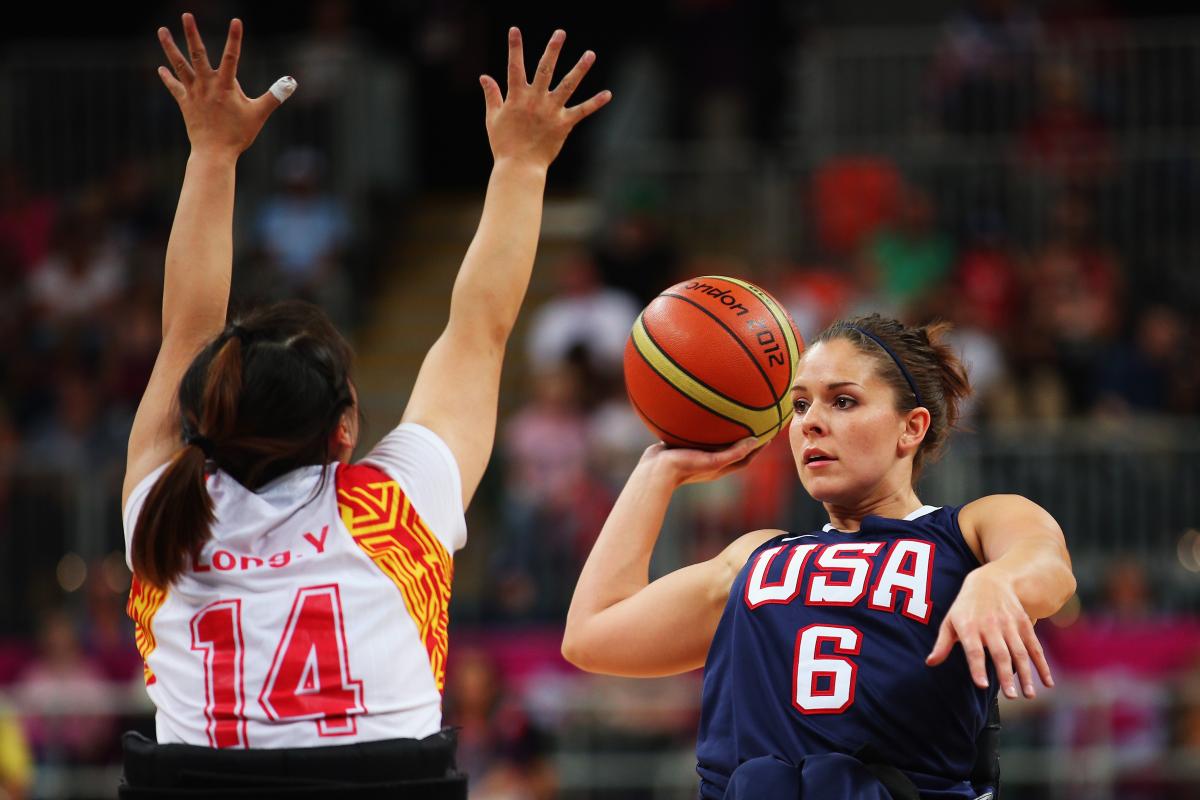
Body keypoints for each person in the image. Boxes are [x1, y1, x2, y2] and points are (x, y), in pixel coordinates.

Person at [120, 12, 609, 797]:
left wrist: (211, 153)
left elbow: (183, 332)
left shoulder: (159, 516)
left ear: (207, 414)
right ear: (344, 432)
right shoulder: (397, 505)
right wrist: (522, 163)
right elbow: (478, 329)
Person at [563, 313, 1076, 798]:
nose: (810, 423)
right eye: (801, 405)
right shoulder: (755, 555)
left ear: (911, 427)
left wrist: (999, 582)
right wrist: (657, 472)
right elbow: (592, 636)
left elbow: (1047, 564)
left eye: (844, 401)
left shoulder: (969, 528)